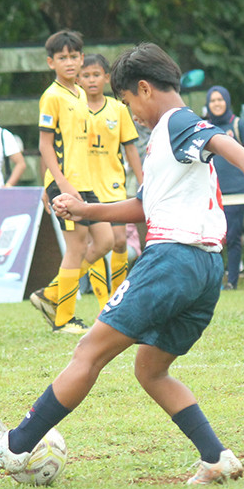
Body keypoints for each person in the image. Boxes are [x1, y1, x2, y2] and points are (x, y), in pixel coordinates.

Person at [0, 43, 244, 485]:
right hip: (206, 268)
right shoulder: (168, 141)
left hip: (172, 260)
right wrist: (86, 210)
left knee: (88, 351)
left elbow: (219, 139)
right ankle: (215, 456)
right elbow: (144, 205)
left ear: (145, 88)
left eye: (129, 101)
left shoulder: (176, 122)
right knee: (150, 369)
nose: (131, 112)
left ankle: (17, 445)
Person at [28, 30, 112, 334]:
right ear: (51, 62)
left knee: (105, 241)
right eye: (62, 57)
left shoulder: (80, 93)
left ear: (81, 57)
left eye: (74, 56)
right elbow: (45, 145)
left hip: (87, 183)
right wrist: (57, 184)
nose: (69, 62)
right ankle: (63, 318)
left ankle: (51, 294)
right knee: (76, 247)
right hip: (65, 184)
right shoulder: (52, 96)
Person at [77, 53, 144, 309]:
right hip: (86, 186)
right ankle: (103, 302)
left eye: (96, 74)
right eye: (86, 75)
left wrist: (142, 181)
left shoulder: (118, 109)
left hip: (114, 186)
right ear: (78, 79)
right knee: (97, 244)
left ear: (106, 77)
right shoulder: (74, 109)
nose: (91, 80)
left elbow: (131, 149)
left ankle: (118, 296)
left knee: (119, 241)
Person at [205, 85, 244, 290]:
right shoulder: (204, 127)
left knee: (233, 236)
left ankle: (232, 282)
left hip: (237, 190)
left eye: (220, 99)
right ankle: (214, 281)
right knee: (213, 237)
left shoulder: (238, 125)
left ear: (227, 101)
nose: (216, 104)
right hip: (211, 191)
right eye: (213, 100)